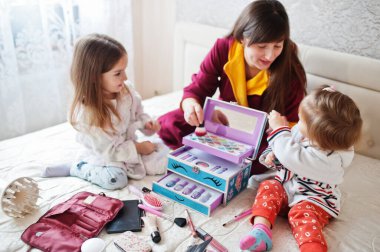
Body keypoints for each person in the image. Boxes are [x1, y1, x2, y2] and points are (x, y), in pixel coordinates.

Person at [157, 0, 306, 175]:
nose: (269, 55)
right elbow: (197, 89)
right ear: (242, 38)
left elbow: (294, 124)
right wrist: (191, 106)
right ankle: (212, 156)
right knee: (170, 122)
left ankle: (212, 156)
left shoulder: (290, 67)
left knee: (265, 157)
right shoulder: (223, 48)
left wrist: (277, 136)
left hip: (258, 137)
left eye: (277, 46)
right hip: (222, 123)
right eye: (262, 46)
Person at [239, 85, 363, 252]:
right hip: (287, 187)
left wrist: (278, 129)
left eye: (302, 120)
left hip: (314, 198)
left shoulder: (330, 160)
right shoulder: (304, 132)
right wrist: (272, 155)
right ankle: (261, 230)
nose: (298, 120)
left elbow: (291, 154)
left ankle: (313, 248)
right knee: (269, 187)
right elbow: (286, 147)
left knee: (303, 214)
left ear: (317, 137)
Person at [42, 34, 168, 189]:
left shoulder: (126, 91)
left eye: (124, 70)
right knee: (116, 179)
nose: (125, 77)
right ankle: (77, 167)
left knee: (166, 157)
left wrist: (146, 123)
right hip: (104, 153)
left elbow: (138, 114)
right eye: (118, 73)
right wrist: (138, 148)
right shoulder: (89, 114)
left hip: (127, 146)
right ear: (95, 77)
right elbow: (109, 152)